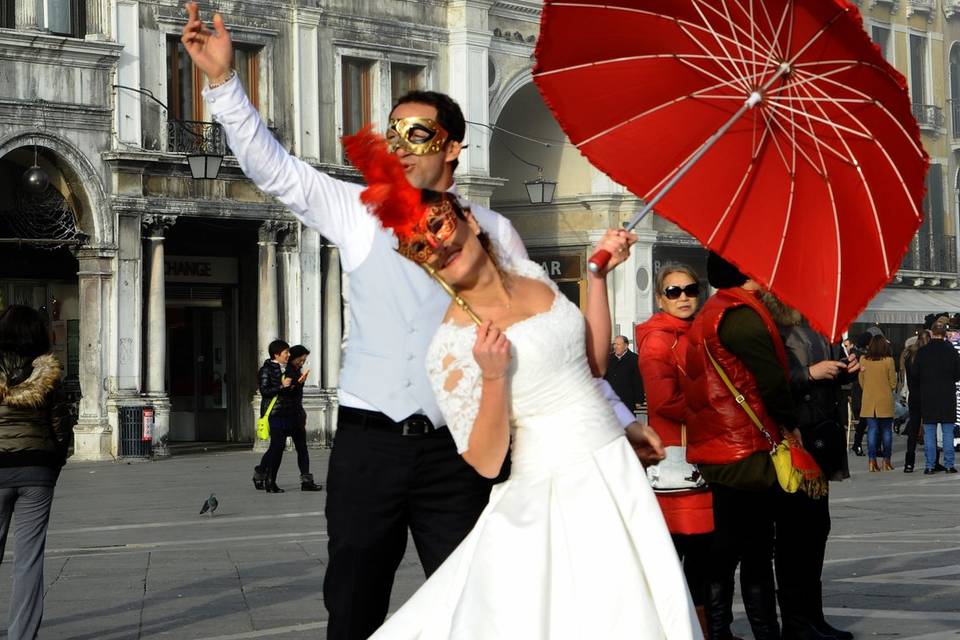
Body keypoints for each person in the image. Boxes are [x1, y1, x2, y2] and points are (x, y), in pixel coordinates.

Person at [179, 6, 659, 638]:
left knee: (477, 599)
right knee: (352, 600)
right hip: (368, 441)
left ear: (453, 147)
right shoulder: (356, 211)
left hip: (454, 451)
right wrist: (223, 83)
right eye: (393, 134)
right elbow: (275, 169)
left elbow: (551, 342)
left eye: (418, 136)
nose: (398, 150)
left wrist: (619, 420)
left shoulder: (497, 232)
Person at [348, 143, 697, 638]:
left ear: (466, 217)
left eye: (441, 228)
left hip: (615, 469)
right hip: (556, 491)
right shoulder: (450, 345)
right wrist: (491, 377)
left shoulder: (531, 276)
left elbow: (590, 365)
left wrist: (596, 278)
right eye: (423, 248)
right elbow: (486, 461)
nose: (441, 247)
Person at [682, 252, 804, 640]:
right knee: (753, 549)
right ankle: (762, 631)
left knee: (729, 546)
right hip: (746, 448)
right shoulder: (741, 317)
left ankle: (721, 630)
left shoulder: (711, 314)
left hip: (720, 444)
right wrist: (789, 423)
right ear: (749, 272)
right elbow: (771, 382)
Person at [767, 295, 856, 640]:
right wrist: (809, 373)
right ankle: (796, 620)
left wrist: (845, 371)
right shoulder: (776, 327)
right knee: (795, 531)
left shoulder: (821, 326)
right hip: (795, 436)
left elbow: (832, 375)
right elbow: (770, 380)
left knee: (818, 527)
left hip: (822, 432)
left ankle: (813, 616)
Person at [634, 263, 713, 635]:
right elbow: (663, 399)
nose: (684, 297)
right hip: (676, 460)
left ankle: (700, 629)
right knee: (684, 557)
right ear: (660, 297)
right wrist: (714, 412)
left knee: (700, 559)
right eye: (673, 291)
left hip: (699, 456)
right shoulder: (658, 340)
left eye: (690, 289)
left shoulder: (697, 332)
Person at [0, 305, 73, 639]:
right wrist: (53, 463)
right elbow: (61, 426)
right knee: (28, 560)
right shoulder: (48, 374)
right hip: (37, 472)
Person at [254, 340, 303, 493]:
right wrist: (282, 386)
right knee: (278, 446)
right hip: (273, 413)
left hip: (288, 413)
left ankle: (260, 471)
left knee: (276, 447)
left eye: (288, 352)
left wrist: (299, 383)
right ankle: (271, 481)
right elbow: (265, 391)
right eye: (286, 352)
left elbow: (293, 391)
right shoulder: (266, 370)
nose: (289, 355)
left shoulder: (290, 368)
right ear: (276, 354)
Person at [915, 322, 960, 474]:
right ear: (944, 333)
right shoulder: (952, 351)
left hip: (929, 396)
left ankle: (930, 466)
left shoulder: (923, 352)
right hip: (947, 396)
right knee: (948, 433)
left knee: (929, 433)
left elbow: (915, 375)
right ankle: (949, 465)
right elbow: (957, 374)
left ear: (932, 332)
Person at [283, 345, 322, 491]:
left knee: (302, 448)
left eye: (304, 361)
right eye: (300, 360)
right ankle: (261, 473)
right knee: (276, 449)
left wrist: (300, 382)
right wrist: (296, 384)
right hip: (284, 415)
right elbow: (283, 392)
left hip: (297, 414)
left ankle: (306, 480)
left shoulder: (296, 371)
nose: (302, 363)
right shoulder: (284, 370)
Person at [858, 335, 897, 472]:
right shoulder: (889, 361)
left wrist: (869, 389)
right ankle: (886, 461)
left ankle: (871, 460)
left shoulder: (863, 360)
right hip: (885, 400)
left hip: (869, 400)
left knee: (872, 431)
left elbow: (861, 381)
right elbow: (893, 383)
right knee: (886, 431)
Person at [901, 330, 930, 473]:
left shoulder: (910, 355)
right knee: (930, 428)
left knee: (913, 428)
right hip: (927, 395)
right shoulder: (927, 356)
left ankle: (909, 463)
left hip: (914, 396)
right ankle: (932, 461)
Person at [604, 335, 644, 411]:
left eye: (618, 344)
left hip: (628, 400)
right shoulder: (608, 359)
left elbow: (638, 380)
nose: (615, 346)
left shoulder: (634, 359)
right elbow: (604, 378)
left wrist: (639, 400)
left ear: (626, 346)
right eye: (614, 344)